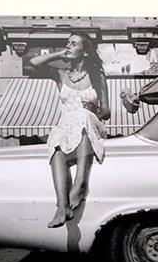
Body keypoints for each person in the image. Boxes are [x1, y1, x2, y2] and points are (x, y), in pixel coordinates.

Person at [27, 32, 110, 228]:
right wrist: (58, 54)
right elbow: (34, 63)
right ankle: (62, 206)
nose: (69, 46)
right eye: (68, 43)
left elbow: (106, 111)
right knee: (55, 137)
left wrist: (94, 109)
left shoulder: (97, 76)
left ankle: (81, 181)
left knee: (81, 115)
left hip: (90, 125)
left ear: (86, 51)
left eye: (74, 44)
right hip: (66, 129)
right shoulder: (61, 75)